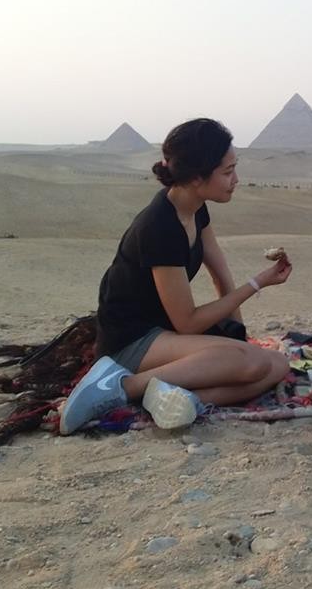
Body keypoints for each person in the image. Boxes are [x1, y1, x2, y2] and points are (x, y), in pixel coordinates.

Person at [60, 118, 292, 434]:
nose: (236, 179)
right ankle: (122, 386)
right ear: (197, 176)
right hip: (131, 339)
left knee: (275, 365)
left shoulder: (196, 208)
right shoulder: (160, 226)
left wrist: (238, 334)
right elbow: (188, 322)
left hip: (165, 332)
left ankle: (175, 399)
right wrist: (257, 283)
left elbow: (221, 275)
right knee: (251, 363)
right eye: (227, 172)